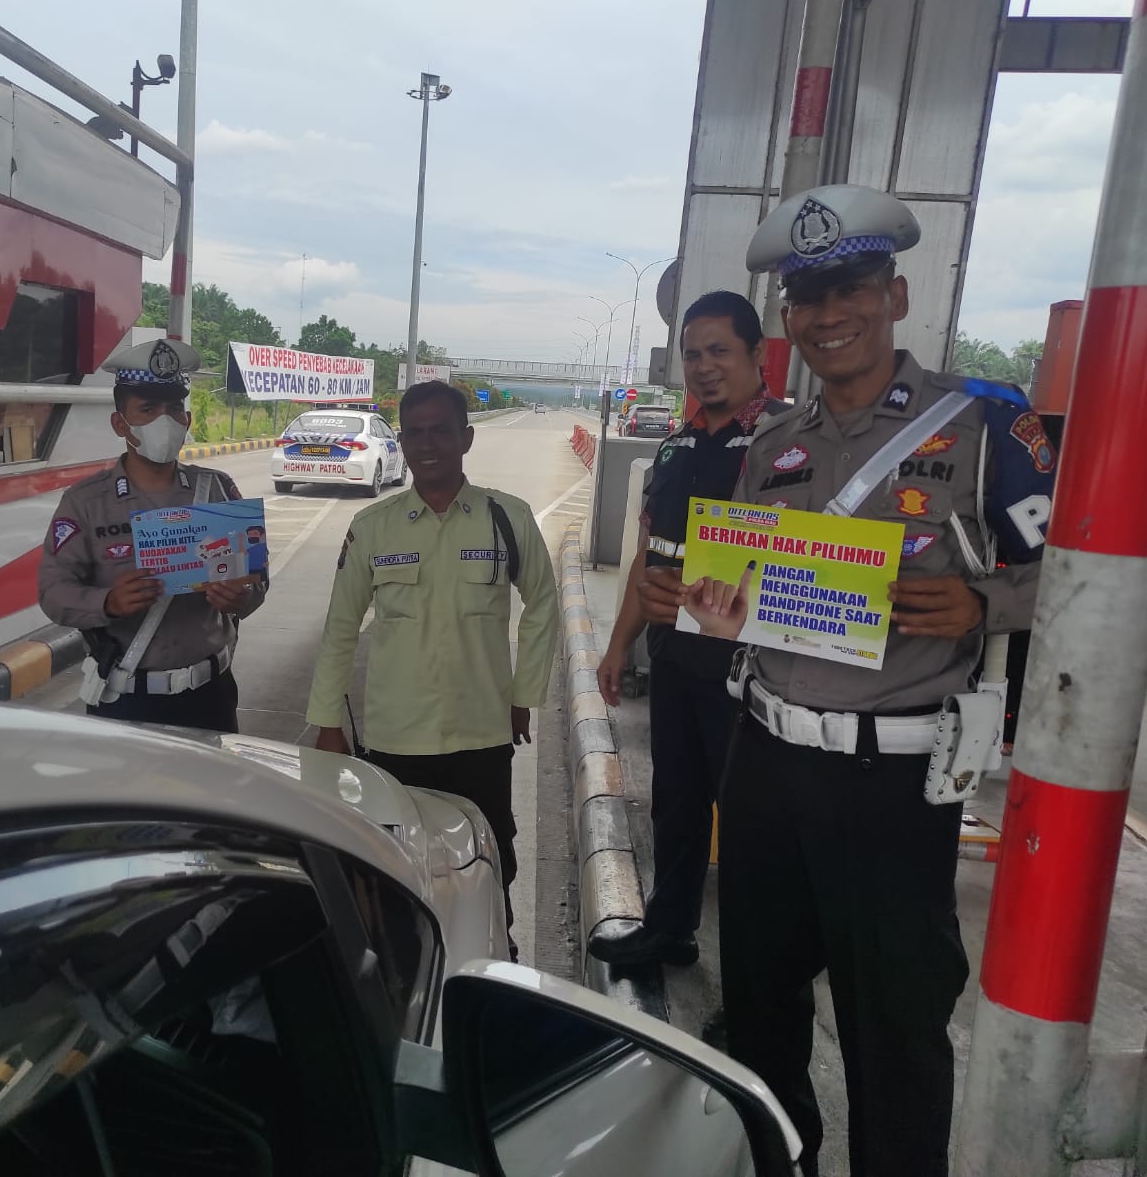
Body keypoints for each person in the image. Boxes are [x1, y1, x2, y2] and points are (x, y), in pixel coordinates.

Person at [639, 184, 1057, 1177]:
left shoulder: (982, 427)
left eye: (850, 289)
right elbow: (745, 591)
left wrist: (979, 604)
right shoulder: (774, 445)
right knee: (761, 1013)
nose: (829, 315)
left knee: (894, 1037)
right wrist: (700, 602)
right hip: (765, 764)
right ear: (788, 318)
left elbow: (1079, 573)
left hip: (891, 784)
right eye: (808, 297)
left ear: (895, 293)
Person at [306, 381, 560, 946]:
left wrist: (524, 693)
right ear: (402, 440)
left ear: (465, 438)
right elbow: (340, 628)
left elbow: (543, 601)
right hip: (397, 740)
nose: (427, 443)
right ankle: (409, 970)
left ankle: (496, 955)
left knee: (491, 863)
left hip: (482, 735)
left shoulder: (507, 519)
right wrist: (326, 722)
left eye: (440, 430)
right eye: (414, 431)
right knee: (397, 869)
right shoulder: (373, 528)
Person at [588, 291, 788, 971]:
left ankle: (754, 983)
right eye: (693, 354)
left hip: (756, 674)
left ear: (759, 355)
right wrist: (619, 644)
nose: (705, 367)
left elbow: (807, 562)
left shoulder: (790, 444)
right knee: (675, 804)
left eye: (720, 351)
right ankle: (669, 927)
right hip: (677, 660)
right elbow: (649, 556)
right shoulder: (676, 447)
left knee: (756, 833)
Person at [37, 338, 265, 731]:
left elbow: (257, 582)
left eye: (175, 408)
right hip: (126, 700)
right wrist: (107, 601)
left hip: (211, 696)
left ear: (187, 420)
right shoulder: (86, 502)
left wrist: (242, 595)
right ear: (120, 424)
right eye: (148, 409)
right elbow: (53, 593)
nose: (166, 419)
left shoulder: (217, 490)